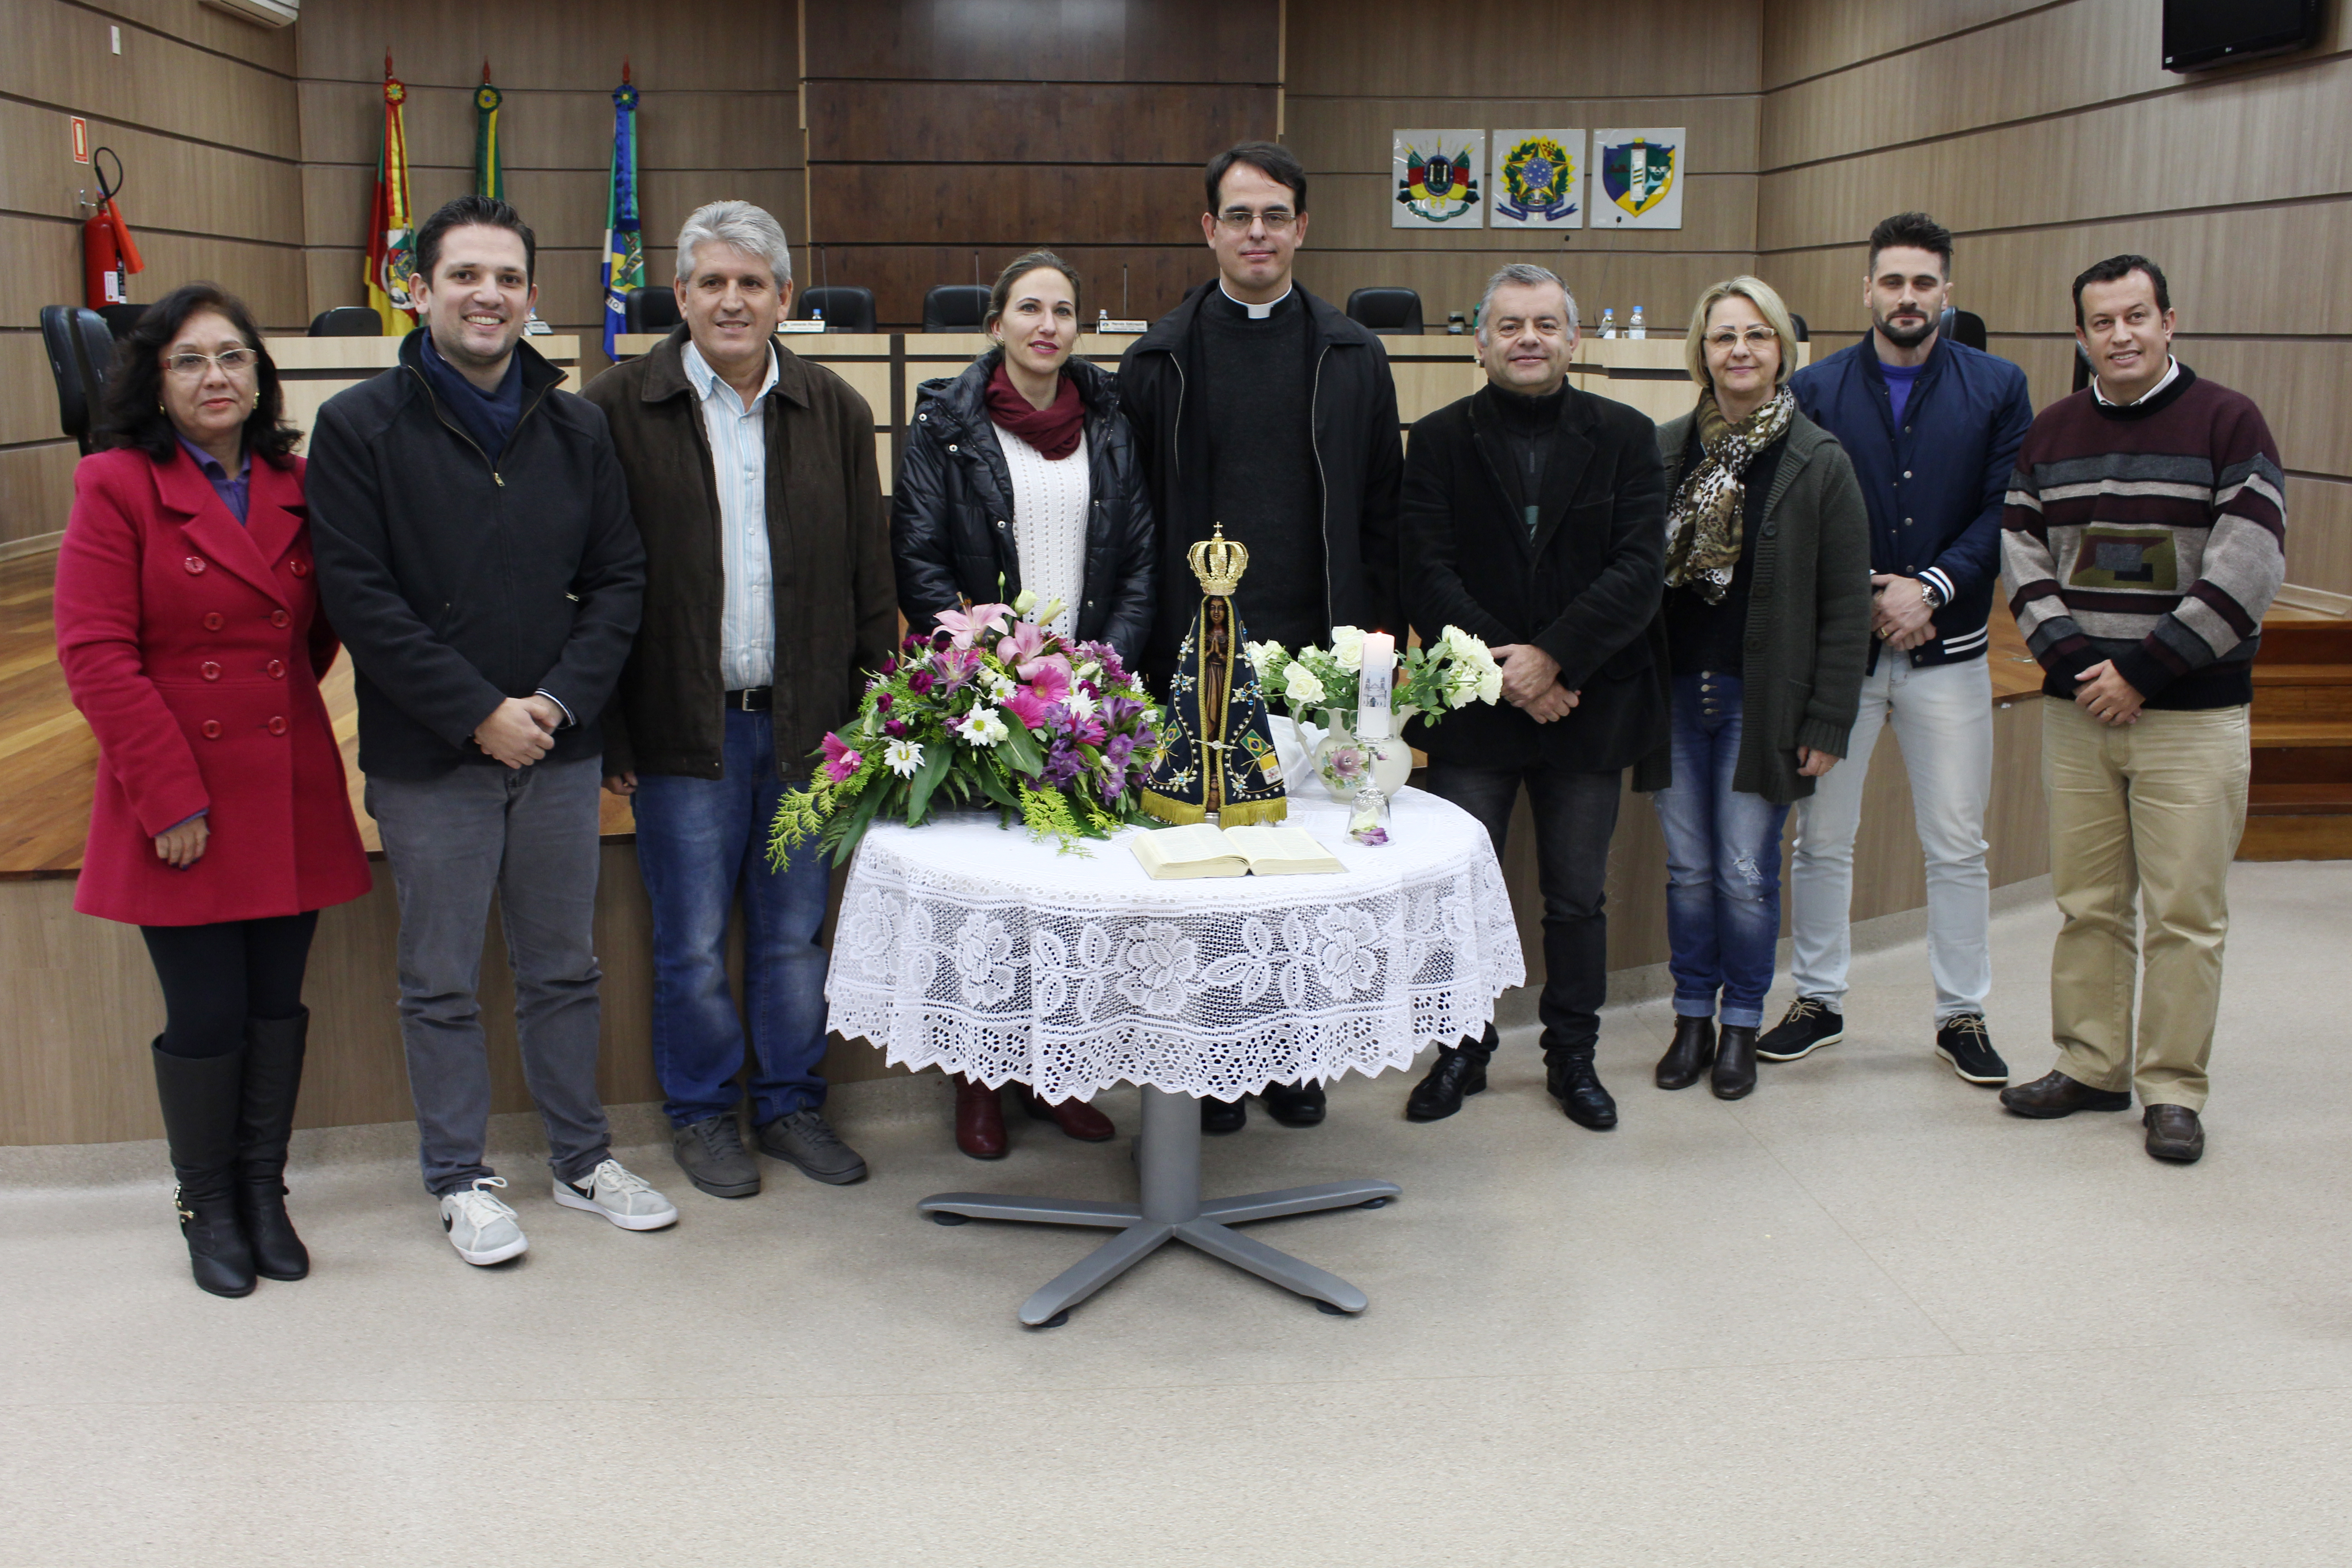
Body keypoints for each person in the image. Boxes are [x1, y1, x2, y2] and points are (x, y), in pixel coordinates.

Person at [309, 195, 674, 1264]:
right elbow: (359, 597)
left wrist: (553, 708)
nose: (488, 296)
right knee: (440, 978)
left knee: (565, 967)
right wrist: (479, 711)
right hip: (435, 755)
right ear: (418, 291)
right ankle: (460, 1178)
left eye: (508, 278)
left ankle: (579, 1157)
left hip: (559, 748)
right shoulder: (359, 427)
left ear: (531, 297)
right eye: (464, 275)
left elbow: (619, 582)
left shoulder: (577, 425)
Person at [54, 283, 374, 1298]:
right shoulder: (114, 485)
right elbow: (96, 654)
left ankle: (264, 1194)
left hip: (283, 783)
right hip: (176, 798)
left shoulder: (299, 480)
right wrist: (172, 796)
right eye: (189, 360)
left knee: (278, 1006)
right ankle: (206, 1206)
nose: (215, 377)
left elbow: (316, 635)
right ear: (154, 380)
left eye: (233, 357)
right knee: (208, 1015)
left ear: (261, 375)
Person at [583, 200, 890, 1198]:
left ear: (784, 299)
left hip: (808, 729)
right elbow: (588, 580)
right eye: (711, 282)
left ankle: (794, 1105)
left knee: (796, 937)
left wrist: (866, 722)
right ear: (678, 296)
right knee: (691, 948)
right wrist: (613, 724)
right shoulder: (616, 407)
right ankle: (705, 1116)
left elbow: (868, 581)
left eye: (751, 283)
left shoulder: (836, 409)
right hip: (683, 732)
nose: (731, 300)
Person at [1119, 139, 1403, 1134]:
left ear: (1302, 228)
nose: (1256, 233)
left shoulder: (1353, 355)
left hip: (1313, 661)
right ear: (1208, 229)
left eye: (1274, 215)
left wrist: (1374, 650)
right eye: (1237, 215)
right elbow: (1135, 517)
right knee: (1203, 874)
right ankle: (1213, 1058)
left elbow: (1381, 510)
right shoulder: (1156, 362)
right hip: (1192, 660)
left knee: (1305, 869)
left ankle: (1293, 1056)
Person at [1997, 255, 2284, 1165]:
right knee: (2087, 903)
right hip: (2080, 712)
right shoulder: (2050, 433)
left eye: (2136, 316)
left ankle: (2171, 1089)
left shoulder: (2229, 423)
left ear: (2170, 322)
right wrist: (2085, 668)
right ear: (2079, 337)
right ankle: (2091, 1064)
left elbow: (2250, 565)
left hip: (2191, 715)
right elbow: (2022, 557)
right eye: (2101, 322)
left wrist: (2146, 673)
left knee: (2185, 912)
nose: (2120, 335)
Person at [893, 248, 1155, 1159]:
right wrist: (985, 664)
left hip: (1086, 701)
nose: (1049, 325)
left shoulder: (1112, 422)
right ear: (997, 322)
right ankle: (980, 1085)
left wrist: (1102, 673)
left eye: (1065, 311)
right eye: (1030, 308)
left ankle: (1057, 1077)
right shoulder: (947, 424)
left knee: (1074, 900)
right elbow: (920, 555)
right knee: (994, 905)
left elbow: (1139, 560)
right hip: (988, 697)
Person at [1397, 264, 1668, 1132]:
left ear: (1572, 339)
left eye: (1545, 325)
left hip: (1585, 704)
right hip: (1476, 714)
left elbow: (1637, 572)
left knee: (1576, 898)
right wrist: (1508, 674)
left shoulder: (1628, 437)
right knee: (1461, 892)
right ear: (1480, 342)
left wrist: (1553, 660)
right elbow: (1424, 572)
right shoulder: (1436, 440)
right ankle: (1463, 1050)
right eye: (1510, 325)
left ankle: (1573, 1057)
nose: (1527, 339)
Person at [1773, 212, 2034, 1086]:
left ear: (1947, 292)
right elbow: (1797, 517)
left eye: (1925, 283)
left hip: (1950, 650)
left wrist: (1930, 588)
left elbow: (2004, 512)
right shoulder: (1814, 389)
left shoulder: (1999, 386)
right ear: (1868, 290)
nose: (1909, 297)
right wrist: (1873, 595)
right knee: (1822, 840)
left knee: (1958, 846)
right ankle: (1818, 1000)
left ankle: (1962, 1014)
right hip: (1841, 657)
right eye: (1893, 282)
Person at [1650, 276, 1871, 1100]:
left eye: (1757, 335)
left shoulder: (1819, 459)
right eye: (1722, 337)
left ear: (1783, 349)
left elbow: (1848, 606)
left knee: (1745, 871)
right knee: (1688, 871)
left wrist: (1828, 719)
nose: (1739, 350)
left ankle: (1741, 1023)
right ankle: (1690, 1021)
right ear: (1701, 354)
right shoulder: (1666, 449)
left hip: (1764, 701)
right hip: (1675, 693)